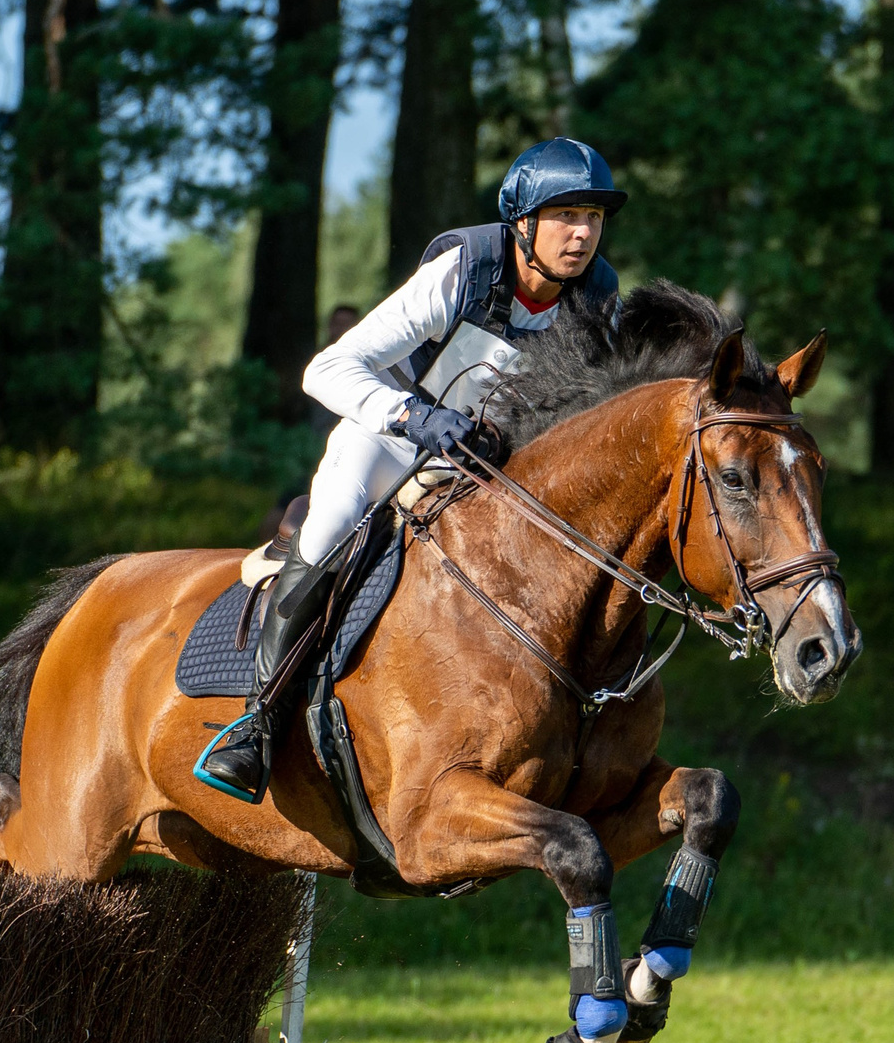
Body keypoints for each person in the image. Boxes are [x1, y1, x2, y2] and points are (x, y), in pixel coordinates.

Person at [193, 137, 625, 805]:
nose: (583, 234)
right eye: (567, 215)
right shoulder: (467, 269)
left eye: (594, 218)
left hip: (482, 463)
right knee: (333, 524)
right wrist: (415, 418)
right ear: (523, 221)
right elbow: (327, 368)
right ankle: (257, 721)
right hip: (389, 434)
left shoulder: (596, 297)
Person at [303, 305, 361, 442]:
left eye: (347, 325)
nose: (341, 329)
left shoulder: (367, 362)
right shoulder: (316, 361)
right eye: (337, 324)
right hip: (318, 433)